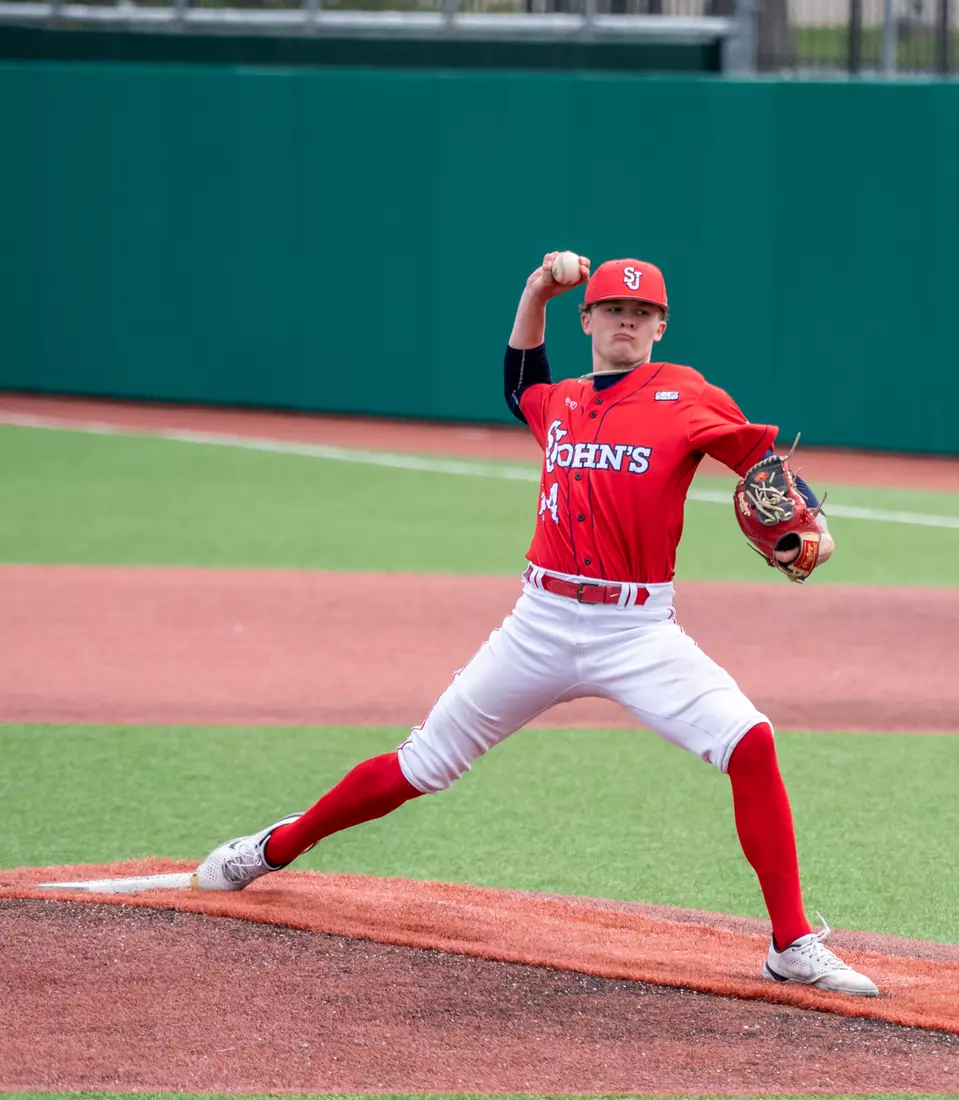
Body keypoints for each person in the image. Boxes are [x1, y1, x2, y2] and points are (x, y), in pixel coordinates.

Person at [193, 252, 877, 998]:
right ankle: (273, 848)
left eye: (643, 313)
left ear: (661, 325)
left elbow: (759, 461)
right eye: (615, 308)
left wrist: (816, 524)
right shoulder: (563, 401)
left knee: (750, 740)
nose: (628, 321)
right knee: (421, 766)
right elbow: (520, 382)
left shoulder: (686, 393)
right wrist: (536, 291)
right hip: (540, 623)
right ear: (589, 319)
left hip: (637, 630)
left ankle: (792, 942)